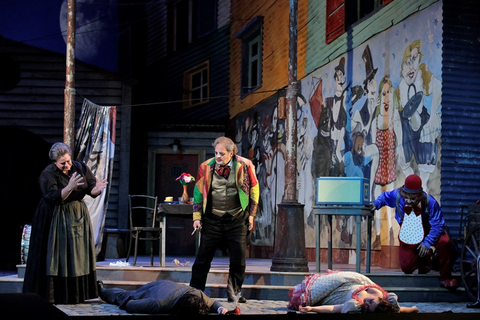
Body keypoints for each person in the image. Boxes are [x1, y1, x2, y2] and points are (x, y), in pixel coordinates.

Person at [23, 142, 108, 304]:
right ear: (55, 162)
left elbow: (90, 186)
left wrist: (96, 190)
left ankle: (77, 294)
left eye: (68, 161)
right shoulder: (48, 173)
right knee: (57, 254)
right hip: (55, 215)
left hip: (77, 214)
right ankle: (56, 294)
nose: (67, 165)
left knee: (77, 254)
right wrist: (69, 186)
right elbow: (55, 197)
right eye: (62, 163)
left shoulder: (80, 167)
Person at [189, 136, 260, 303]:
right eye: (216, 153)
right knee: (203, 258)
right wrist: (197, 217)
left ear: (231, 152)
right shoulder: (205, 166)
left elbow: (255, 189)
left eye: (221, 153)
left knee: (238, 258)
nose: (218, 157)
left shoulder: (245, 165)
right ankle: (195, 292)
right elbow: (198, 192)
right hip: (213, 218)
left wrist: (251, 214)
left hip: (236, 218)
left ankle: (234, 292)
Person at [371, 174, 458, 289]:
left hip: (428, 229)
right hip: (409, 231)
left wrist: (427, 242)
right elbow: (384, 197)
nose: (408, 200)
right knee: (407, 267)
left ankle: (445, 278)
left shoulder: (429, 202)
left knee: (445, 241)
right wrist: (376, 204)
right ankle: (427, 258)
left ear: (419, 195)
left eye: (412, 198)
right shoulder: (397, 196)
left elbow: (438, 224)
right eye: (406, 197)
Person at [287, 270, 418, 313]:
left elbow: (334, 308)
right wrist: (412, 309)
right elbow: (397, 309)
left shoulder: (357, 305)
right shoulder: (384, 297)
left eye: (368, 306)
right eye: (371, 301)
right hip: (351, 280)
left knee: (316, 290)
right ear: (380, 300)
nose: (366, 302)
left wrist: (311, 309)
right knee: (341, 276)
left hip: (339, 291)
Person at [97, 279, 228, 315]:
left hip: (168, 285)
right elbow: (130, 305)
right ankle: (101, 291)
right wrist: (135, 302)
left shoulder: (197, 294)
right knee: (124, 296)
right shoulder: (158, 304)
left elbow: (212, 303)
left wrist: (220, 309)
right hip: (154, 290)